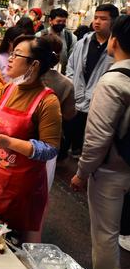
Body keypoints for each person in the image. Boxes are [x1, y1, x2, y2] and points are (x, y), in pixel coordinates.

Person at [0, 35, 62, 243]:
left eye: (16, 55)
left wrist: (7, 142)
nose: (10, 59)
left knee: (8, 246)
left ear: (34, 64)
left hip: (22, 190)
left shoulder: (48, 101)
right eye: (11, 53)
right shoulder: (9, 89)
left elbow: (50, 149)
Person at [70, 14, 130, 269]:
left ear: (115, 41)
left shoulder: (113, 82)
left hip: (112, 170)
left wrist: (82, 173)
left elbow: (97, 138)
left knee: (106, 233)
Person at [66, 3, 118, 157]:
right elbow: (71, 67)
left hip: (98, 101)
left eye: (103, 19)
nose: (97, 21)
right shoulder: (83, 42)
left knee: (90, 137)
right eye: (96, 18)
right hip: (76, 97)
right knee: (70, 131)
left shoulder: (116, 47)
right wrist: (72, 86)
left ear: (113, 22)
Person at [41, 35, 76, 188]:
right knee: (42, 183)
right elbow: (69, 114)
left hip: (21, 137)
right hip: (51, 139)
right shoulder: (66, 84)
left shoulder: (26, 78)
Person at [0, 26, 26, 101]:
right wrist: (9, 98)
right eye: (19, 42)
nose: (22, 45)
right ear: (9, 41)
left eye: (24, 42)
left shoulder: (24, 59)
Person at [37, 8, 76, 75]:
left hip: (62, 77)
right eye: (58, 21)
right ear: (50, 21)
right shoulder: (39, 36)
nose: (61, 24)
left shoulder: (71, 38)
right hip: (42, 76)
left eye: (63, 22)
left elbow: (72, 61)